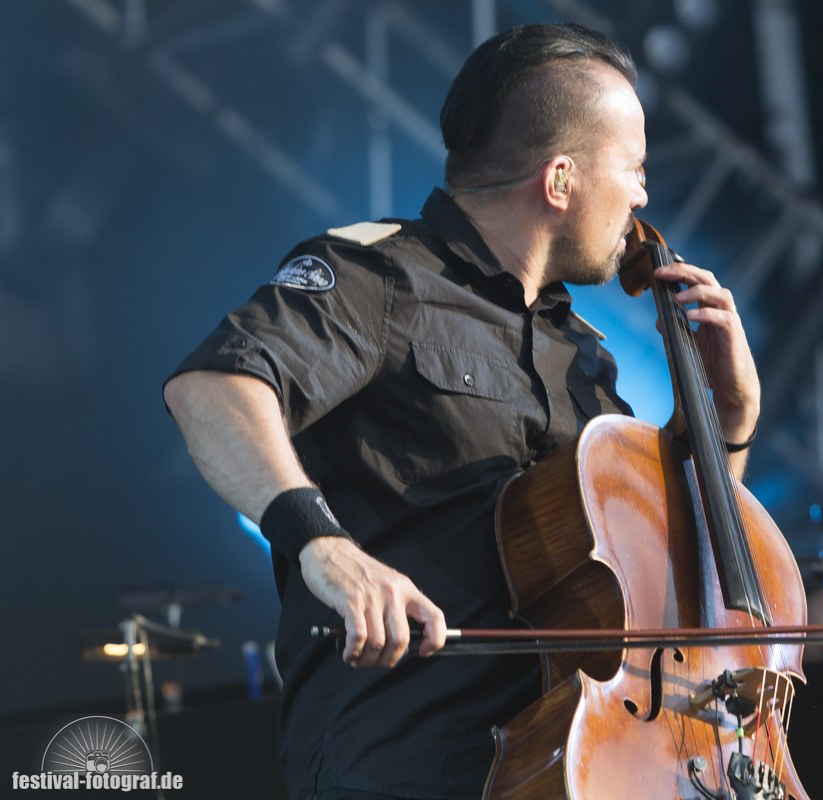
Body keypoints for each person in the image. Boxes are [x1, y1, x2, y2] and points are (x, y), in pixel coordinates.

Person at [163, 22, 762, 800]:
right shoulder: (378, 277)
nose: (644, 196)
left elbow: (679, 566)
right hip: (407, 764)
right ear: (560, 180)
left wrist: (727, 415)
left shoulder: (583, 355)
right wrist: (323, 544)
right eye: (635, 168)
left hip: (573, 764)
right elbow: (212, 388)